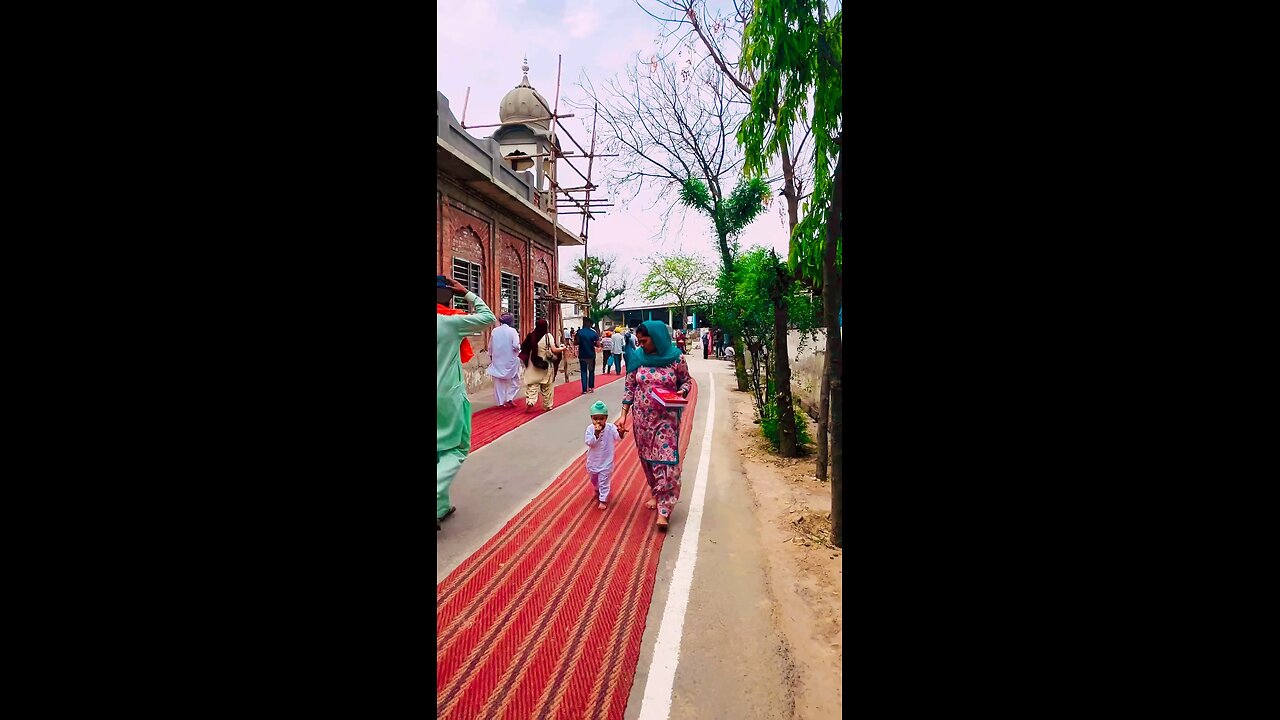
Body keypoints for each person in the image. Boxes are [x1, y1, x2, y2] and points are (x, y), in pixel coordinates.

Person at [616, 321, 693, 530]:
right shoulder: (638, 358)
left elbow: (686, 381)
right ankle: (656, 491)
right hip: (641, 419)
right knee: (648, 459)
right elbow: (629, 387)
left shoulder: (676, 357)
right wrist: (623, 415)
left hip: (666, 419)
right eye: (638, 341)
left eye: (644, 341)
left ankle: (664, 509)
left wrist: (681, 392)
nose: (641, 345)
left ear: (657, 337)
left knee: (666, 461)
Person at [437, 275, 496, 531]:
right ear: (448, 296)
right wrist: (467, 293)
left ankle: (441, 507)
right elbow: (488, 317)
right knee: (457, 448)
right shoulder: (450, 322)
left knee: (440, 449)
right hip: (447, 394)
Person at [584, 399, 624, 510]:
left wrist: (620, 432)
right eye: (595, 419)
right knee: (593, 478)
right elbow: (589, 443)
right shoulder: (590, 429)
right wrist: (596, 434)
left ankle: (603, 499)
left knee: (604, 480)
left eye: (601, 419)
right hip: (593, 461)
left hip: (607, 461)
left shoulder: (611, 428)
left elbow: (618, 437)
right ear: (591, 418)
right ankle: (597, 488)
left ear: (606, 418)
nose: (598, 421)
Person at [520, 318, 563, 412]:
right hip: (545, 364)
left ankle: (530, 401)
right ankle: (548, 405)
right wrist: (562, 349)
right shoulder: (548, 336)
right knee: (547, 386)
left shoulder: (531, 335)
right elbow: (554, 350)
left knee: (532, 385)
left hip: (533, 365)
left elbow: (524, 347)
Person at [486, 313, 522, 408]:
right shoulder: (513, 331)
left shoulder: (495, 331)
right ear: (511, 321)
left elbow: (490, 346)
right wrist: (518, 349)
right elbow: (515, 346)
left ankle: (500, 403)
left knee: (498, 382)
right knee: (516, 380)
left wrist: (491, 357)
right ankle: (510, 398)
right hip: (511, 360)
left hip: (497, 360)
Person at [575, 321, 599, 393]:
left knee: (583, 371)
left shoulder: (579, 332)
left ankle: (584, 389)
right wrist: (593, 343)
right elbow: (598, 344)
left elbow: (576, 342)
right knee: (591, 371)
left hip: (582, 355)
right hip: (591, 355)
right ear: (590, 324)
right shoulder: (593, 332)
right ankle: (591, 387)